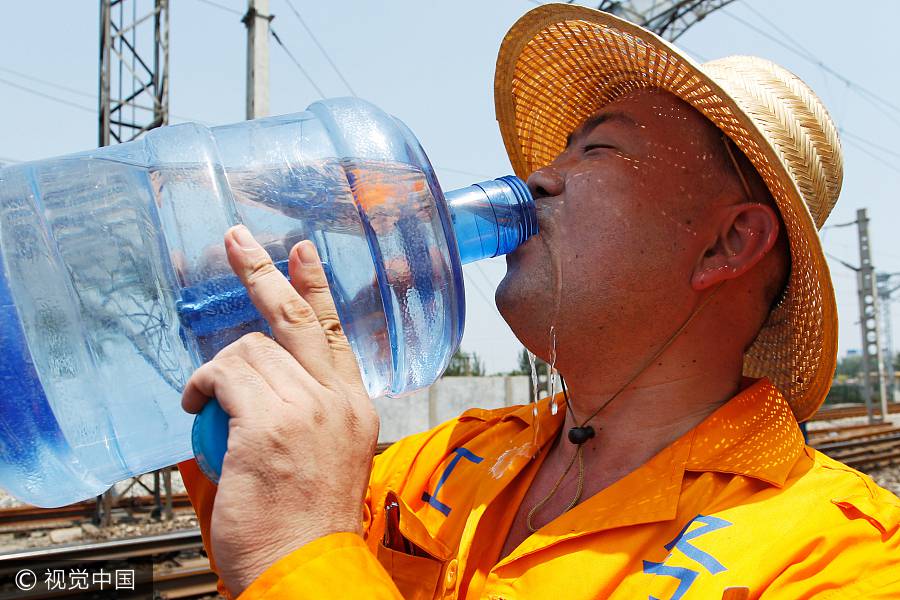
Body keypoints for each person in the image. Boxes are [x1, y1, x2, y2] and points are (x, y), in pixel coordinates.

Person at [178, 5, 900, 599]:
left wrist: (307, 552)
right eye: (557, 152)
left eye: (597, 151)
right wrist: (231, 351)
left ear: (726, 244)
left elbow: (295, 547)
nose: (536, 179)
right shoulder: (451, 459)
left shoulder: (835, 557)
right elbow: (258, 538)